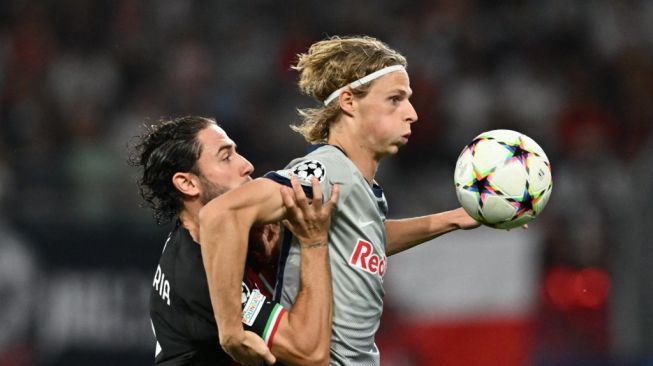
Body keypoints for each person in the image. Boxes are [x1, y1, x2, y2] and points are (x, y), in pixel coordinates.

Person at [200, 35, 480, 365]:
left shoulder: (357, 185)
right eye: (394, 99)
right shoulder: (326, 171)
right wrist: (231, 328)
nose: (412, 113)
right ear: (348, 101)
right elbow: (220, 214)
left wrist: (454, 219)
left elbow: (367, 236)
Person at [130, 116, 339, 365]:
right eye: (226, 157)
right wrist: (313, 243)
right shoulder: (202, 273)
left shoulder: (227, 234)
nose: (247, 165)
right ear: (187, 183)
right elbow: (309, 352)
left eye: (236, 152)